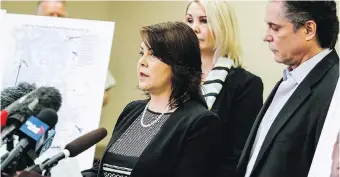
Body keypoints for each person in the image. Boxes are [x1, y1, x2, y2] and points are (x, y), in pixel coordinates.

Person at [81, 21, 228, 177]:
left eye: (153, 55)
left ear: (179, 63)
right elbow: (102, 171)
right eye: (141, 53)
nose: (142, 62)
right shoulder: (133, 111)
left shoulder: (200, 123)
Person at [236, 1, 339, 177]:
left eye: (275, 28)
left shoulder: (334, 87)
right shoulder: (290, 78)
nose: (266, 36)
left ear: (308, 30)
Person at [184, 0, 263, 176]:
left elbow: (238, 156)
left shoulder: (246, 84)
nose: (194, 28)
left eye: (204, 21)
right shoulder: (174, 76)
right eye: (189, 20)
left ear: (223, 27)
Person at [36, 0, 116, 106]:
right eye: (50, 15)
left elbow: (105, 95)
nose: (55, 19)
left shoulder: (85, 49)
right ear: (36, 18)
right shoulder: (22, 49)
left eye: (60, 16)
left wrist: (80, 97)